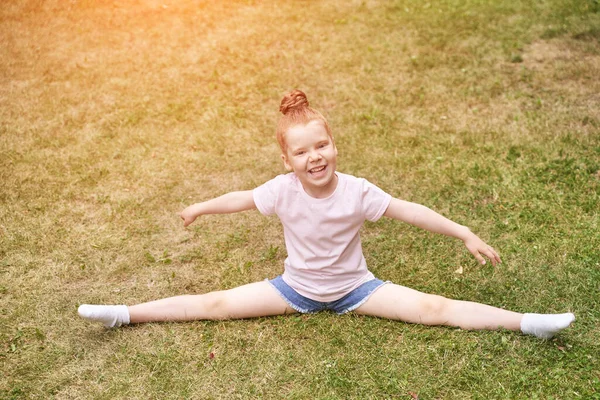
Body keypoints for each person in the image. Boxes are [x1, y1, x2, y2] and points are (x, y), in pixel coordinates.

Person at [78, 89, 575, 339]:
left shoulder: (357, 191)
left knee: (435, 309)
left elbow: (408, 210)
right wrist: (201, 208)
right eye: (302, 152)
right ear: (287, 161)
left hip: (357, 289)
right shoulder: (282, 190)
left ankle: (528, 322)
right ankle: (125, 314)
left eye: (322, 145)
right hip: (293, 289)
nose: (314, 156)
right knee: (213, 304)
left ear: (334, 146)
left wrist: (463, 230)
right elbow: (242, 198)